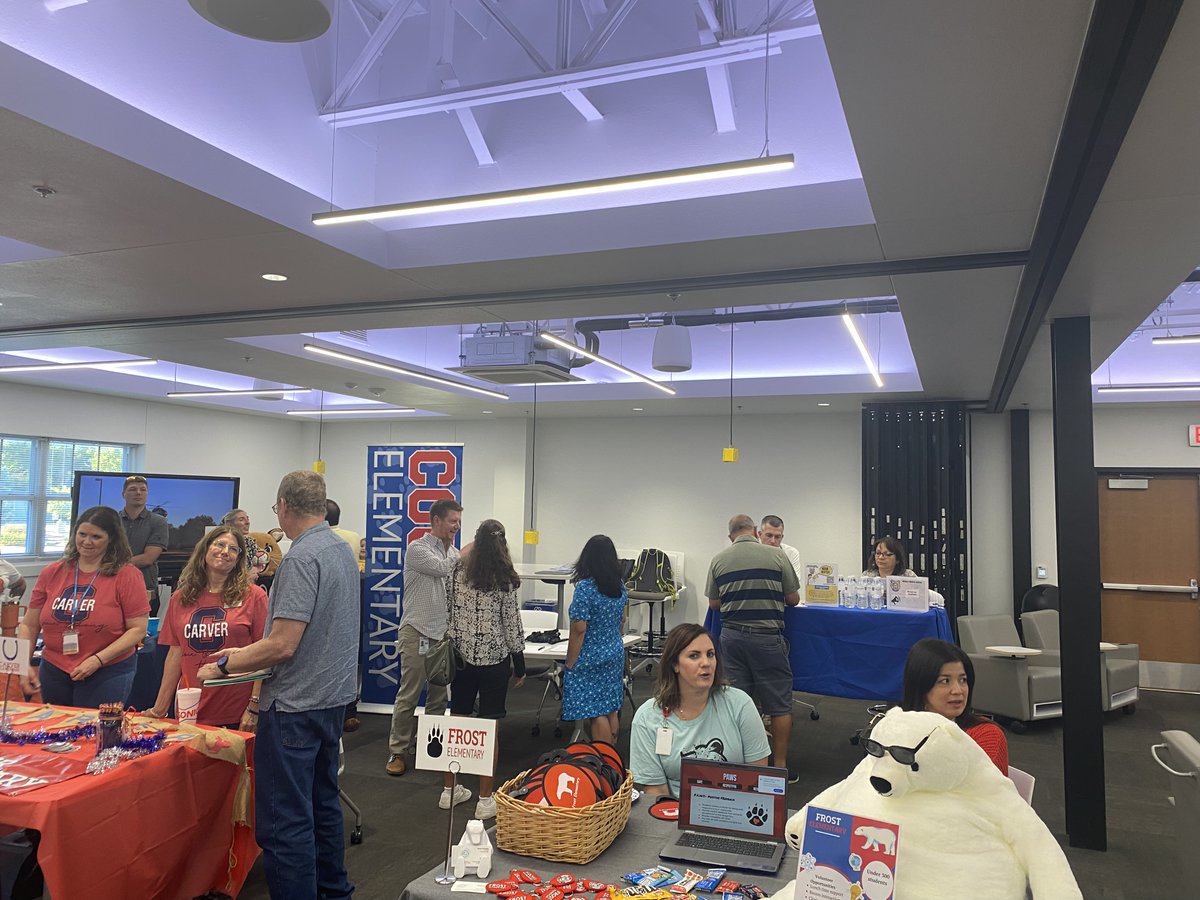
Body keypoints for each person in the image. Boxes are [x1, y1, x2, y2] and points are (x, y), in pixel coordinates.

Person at [198, 470, 358, 900]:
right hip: (331, 701)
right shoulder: (340, 549)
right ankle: (333, 892)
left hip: (294, 707)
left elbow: (283, 644)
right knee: (323, 807)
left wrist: (226, 664)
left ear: (284, 507)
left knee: (284, 822)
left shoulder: (302, 557)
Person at [19, 506, 149, 708]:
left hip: (107, 669)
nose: (87, 542)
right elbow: (29, 624)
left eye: (96, 536)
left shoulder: (127, 575)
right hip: (54, 668)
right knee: (58, 732)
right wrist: (23, 664)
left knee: (94, 735)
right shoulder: (52, 572)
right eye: (82, 534)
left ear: (111, 539)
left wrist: (97, 660)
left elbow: (138, 630)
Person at [144, 526, 268, 729]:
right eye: (219, 544)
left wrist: (254, 706)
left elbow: (263, 655)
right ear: (204, 550)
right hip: (190, 707)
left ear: (238, 560)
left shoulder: (254, 596)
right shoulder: (180, 598)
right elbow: (176, 654)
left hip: (236, 708)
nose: (225, 551)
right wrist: (159, 708)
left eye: (233, 549)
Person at [707, 514, 800, 775]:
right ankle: (779, 767)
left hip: (732, 637)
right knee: (779, 704)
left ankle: (743, 765)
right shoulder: (778, 556)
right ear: (756, 532)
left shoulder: (718, 559)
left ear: (731, 536)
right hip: (767, 637)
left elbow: (714, 605)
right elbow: (793, 598)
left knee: (738, 701)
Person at [630, 623, 770, 798]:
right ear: (675, 665)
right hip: (674, 815)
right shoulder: (647, 718)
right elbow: (656, 793)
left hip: (735, 810)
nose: (706, 663)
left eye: (710, 654)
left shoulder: (739, 703)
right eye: (694, 656)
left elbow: (758, 776)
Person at [445, 519, 526, 820]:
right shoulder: (504, 577)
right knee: (488, 730)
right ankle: (484, 799)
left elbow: (449, 609)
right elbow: (512, 625)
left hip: (461, 659)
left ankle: (449, 791)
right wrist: (520, 665)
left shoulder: (457, 571)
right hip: (494, 661)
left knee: (458, 724)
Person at [386, 498, 470, 786]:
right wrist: (464, 555)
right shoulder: (417, 549)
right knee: (409, 694)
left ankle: (427, 748)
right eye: (452, 521)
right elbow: (442, 568)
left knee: (437, 697)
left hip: (440, 635)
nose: (456, 527)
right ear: (436, 521)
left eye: (458, 522)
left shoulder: (454, 553)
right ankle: (397, 752)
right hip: (416, 631)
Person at [901, 637, 1009, 775]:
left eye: (963, 680)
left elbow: (980, 792)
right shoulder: (898, 729)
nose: (958, 690)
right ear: (921, 686)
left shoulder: (985, 735)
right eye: (945, 681)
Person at [562, 535, 628, 744]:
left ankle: (603, 760)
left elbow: (579, 629)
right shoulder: (620, 586)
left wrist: (571, 662)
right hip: (614, 652)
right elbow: (622, 620)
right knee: (610, 708)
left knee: (595, 711)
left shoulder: (585, 588)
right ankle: (613, 760)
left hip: (590, 656)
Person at [119, 474, 169, 615]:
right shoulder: (113, 521)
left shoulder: (158, 522)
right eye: (133, 489)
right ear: (123, 494)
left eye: (143, 489)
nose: (138, 493)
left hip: (145, 588)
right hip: (113, 587)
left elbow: (148, 558)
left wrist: (113, 565)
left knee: (145, 635)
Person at [221, 509, 269, 582]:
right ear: (229, 524)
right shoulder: (221, 543)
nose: (247, 522)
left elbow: (258, 560)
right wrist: (244, 576)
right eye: (241, 520)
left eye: (247, 519)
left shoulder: (249, 542)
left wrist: (256, 570)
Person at [759, 514, 803, 581]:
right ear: (759, 534)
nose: (773, 541)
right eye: (769, 535)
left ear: (782, 537)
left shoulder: (791, 553)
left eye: (777, 537)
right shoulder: (749, 552)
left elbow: (794, 584)